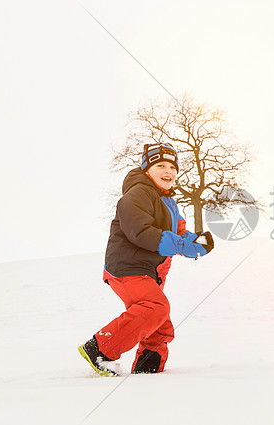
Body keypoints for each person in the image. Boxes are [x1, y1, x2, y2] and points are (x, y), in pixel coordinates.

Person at [79, 142, 214, 376]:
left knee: (161, 327)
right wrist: (182, 245)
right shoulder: (138, 193)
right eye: (160, 165)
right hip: (127, 267)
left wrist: (197, 242)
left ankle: (147, 372)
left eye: (173, 166)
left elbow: (179, 233)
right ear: (146, 169)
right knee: (155, 307)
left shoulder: (168, 202)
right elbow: (140, 232)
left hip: (148, 272)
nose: (168, 171)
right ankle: (100, 349)